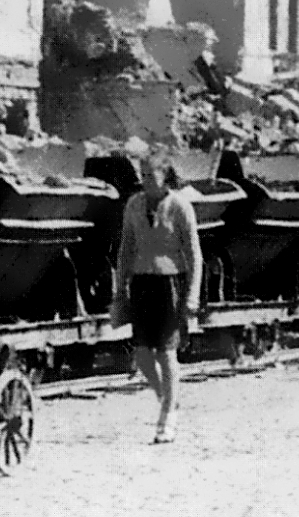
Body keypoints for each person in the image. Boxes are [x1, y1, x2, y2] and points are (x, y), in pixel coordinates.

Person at [113, 151, 203, 444]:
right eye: (143, 175)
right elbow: (126, 248)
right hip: (141, 282)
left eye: (151, 175)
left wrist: (191, 298)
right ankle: (167, 397)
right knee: (141, 354)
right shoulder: (134, 205)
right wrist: (120, 287)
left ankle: (167, 417)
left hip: (170, 284)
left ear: (166, 176)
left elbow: (194, 255)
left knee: (166, 352)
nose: (146, 181)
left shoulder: (180, 207)